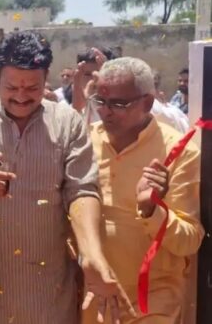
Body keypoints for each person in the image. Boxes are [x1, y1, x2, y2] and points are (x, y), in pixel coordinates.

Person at [0, 31, 132, 324]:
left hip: (49, 292)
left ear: (46, 78)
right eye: (12, 87)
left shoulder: (67, 123)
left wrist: (91, 254)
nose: (21, 96)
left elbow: (82, 190)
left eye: (32, 88)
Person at [83, 57, 203, 323]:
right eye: (100, 101)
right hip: (94, 295)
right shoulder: (84, 141)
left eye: (118, 104)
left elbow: (189, 241)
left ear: (147, 103)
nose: (105, 112)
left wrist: (151, 210)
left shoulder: (179, 152)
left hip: (151, 299)